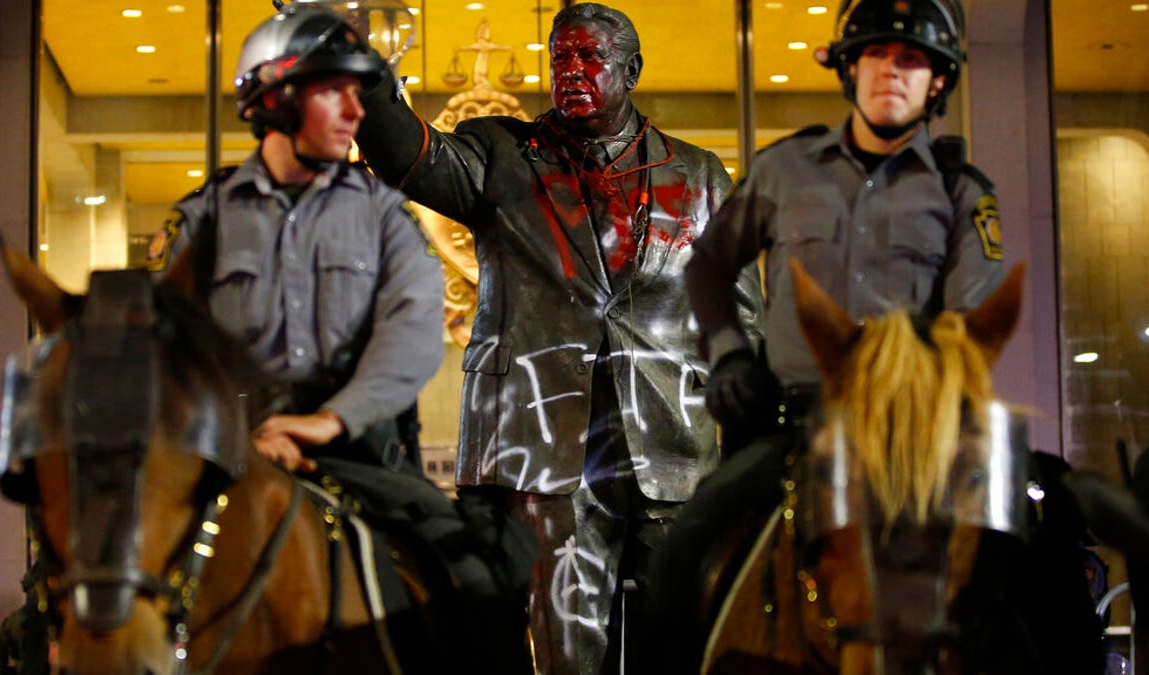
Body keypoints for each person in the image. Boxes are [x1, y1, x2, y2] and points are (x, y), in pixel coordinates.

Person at [355, 3, 749, 672]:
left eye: (589, 58)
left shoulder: (701, 175)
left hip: (671, 447)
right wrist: (359, 66)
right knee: (566, 653)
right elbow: (403, 154)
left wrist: (746, 440)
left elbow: (739, 317)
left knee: (677, 644)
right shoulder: (498, 154)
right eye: (559, 58)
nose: (570, 71)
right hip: (543, 455)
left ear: (632, 69)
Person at [649, 0, 1006, 669]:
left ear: (939, 83)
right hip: (794, 427)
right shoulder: (785, 169)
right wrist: (727, 354)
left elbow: (967, 327)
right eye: (874, 54)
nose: (890, 71)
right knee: (678, 557)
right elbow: (709, 264)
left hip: (916, 441)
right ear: (848, 70)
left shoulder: (963, 193)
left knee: (1037, 560)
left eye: (911, 58)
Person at [147, 4, 444, 475]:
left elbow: (414, 334)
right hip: (227, 451)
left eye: (356, 93)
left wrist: (329, 421)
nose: (355, 111)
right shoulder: (202, 218)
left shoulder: (385, 215)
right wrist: (244, 431)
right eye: (332, 92)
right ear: (274, 99)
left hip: (359, 453)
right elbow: (166, 345)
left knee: (467, 549)